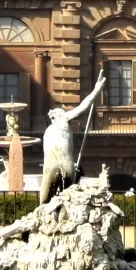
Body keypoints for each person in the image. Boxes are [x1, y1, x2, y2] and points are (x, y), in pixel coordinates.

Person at [40, 72, 108, 204]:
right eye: (62, 111)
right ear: (57, 115)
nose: (65, 113)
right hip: (65, 161)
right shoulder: (63, 120)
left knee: (45, 192)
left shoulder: (47, 132)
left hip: (49, 162)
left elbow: (46, 153)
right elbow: (84, 105)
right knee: (69, 197)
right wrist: (97, 89)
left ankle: (41, 211)